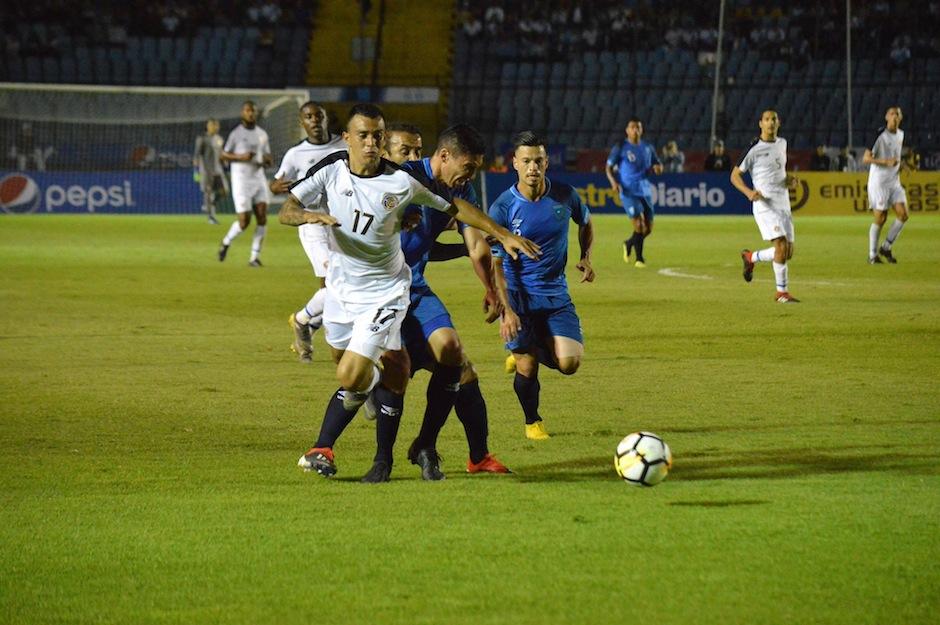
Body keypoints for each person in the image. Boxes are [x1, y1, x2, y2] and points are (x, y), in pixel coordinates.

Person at [279, 103, 538, 483]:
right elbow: (291, 206)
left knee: (451, 358)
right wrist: (308, 216)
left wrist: (499, 254)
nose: (410, 154)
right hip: (349, 288)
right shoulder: (381, 174)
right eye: (404, 148)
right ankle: (371, 430)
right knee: (362, 374)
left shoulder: (422, 185)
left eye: (379, 137)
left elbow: (469, 231)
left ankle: (434, 451)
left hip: (397, 290)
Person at [390, 124, 512, 480]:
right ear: (444, 156)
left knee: (458, 364)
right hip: (377, 293)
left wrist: (491, 289)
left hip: (416, 290)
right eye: (468, 167)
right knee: (376, 376)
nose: (470, 176)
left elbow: (475, 245)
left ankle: (467, 454)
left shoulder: (463, 188)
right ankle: (331, 447)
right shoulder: (403, 179)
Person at [489, 131, 594, 441]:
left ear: (547, 163)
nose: (532, 167)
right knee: (527, 367)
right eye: (526, 161)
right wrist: (506, 310)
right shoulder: (504, 207)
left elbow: (585, 222)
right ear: (515, 164)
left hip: (556, 294)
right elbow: (496, 264)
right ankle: (532, 421)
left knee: (569, 364)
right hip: (519, 298)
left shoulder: (565, 195)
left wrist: (586, 257)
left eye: (538, 161)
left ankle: (525, 347)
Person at [270, 102, 346, 363]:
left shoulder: (344, 145)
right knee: (337, 284)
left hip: (342, 224)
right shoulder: (295, 154)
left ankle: (305, 323)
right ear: (301, 123)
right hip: (312, 227)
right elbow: (278, 182)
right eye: (308, 117)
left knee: (336, 287)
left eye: (318, 116)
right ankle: (305, 323)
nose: (314, 120)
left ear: (326, 118)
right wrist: (275, 187)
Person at [731, 110, 800, 303]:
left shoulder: (782, 143)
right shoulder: (754, 148)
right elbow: (734, 175)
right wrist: (748, 193)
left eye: (774, 119)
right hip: (764, 204)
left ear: (779, 123)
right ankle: (782, 293)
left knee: (787, 253)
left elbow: (778, 174)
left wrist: (789, 181)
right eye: (767, 119)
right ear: (760, 123)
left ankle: (750, 257)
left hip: (783, 202)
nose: (771, 123)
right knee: (780, 246)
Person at [218, 101, 273, 267]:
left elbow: (269, 157)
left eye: (253, 111)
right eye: (248, 110)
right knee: (244, 222)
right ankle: (226, 242)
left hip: (258, 179)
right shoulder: (236, 134)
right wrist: (240, 157)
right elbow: (223, 155)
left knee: (262, 217)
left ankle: (254, 257)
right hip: (241, 181)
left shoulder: (262, 134)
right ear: (242, 113)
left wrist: (266, 160)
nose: (251, 113)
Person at [605, 118, 662, 267]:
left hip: (645, 190)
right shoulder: (621, 147)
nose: (635, 130)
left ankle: (629, 243)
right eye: (632, 127)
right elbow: (608, 167)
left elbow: (657, 163)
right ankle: (639, 259)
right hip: (628, 191)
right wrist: (613, 182)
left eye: (638, 127)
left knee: (648, 229)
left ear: (641, 130)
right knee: (639, 224)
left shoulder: (648, 147)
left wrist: (658, 168)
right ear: (627, 130)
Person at [864, 106, 909, 264]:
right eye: (892, 114)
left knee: (903, 215)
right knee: (880, 218)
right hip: (879, 182)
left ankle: (886, 247)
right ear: (886, 117)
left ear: (900, 118)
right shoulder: (879, 135)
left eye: (898, 114)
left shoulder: (901, 135)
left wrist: (901, 165)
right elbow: (866, 158)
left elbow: (894, 155)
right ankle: (872, 255)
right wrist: (885, 162)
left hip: (894, 182)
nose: (895, 117)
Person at [193, 118, 228, 225]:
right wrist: (196, 171)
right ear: (208, 126)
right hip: (206, 171)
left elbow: (221, 153)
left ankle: (210, 204)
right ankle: (211, 217)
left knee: (224, 191)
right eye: (213, 125)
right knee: (208, 192)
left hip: (218, 170)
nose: (215, 127)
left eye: (217, 125)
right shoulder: (202, 139)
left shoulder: (219, 139)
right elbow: (196, 155)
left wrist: (225, 161)